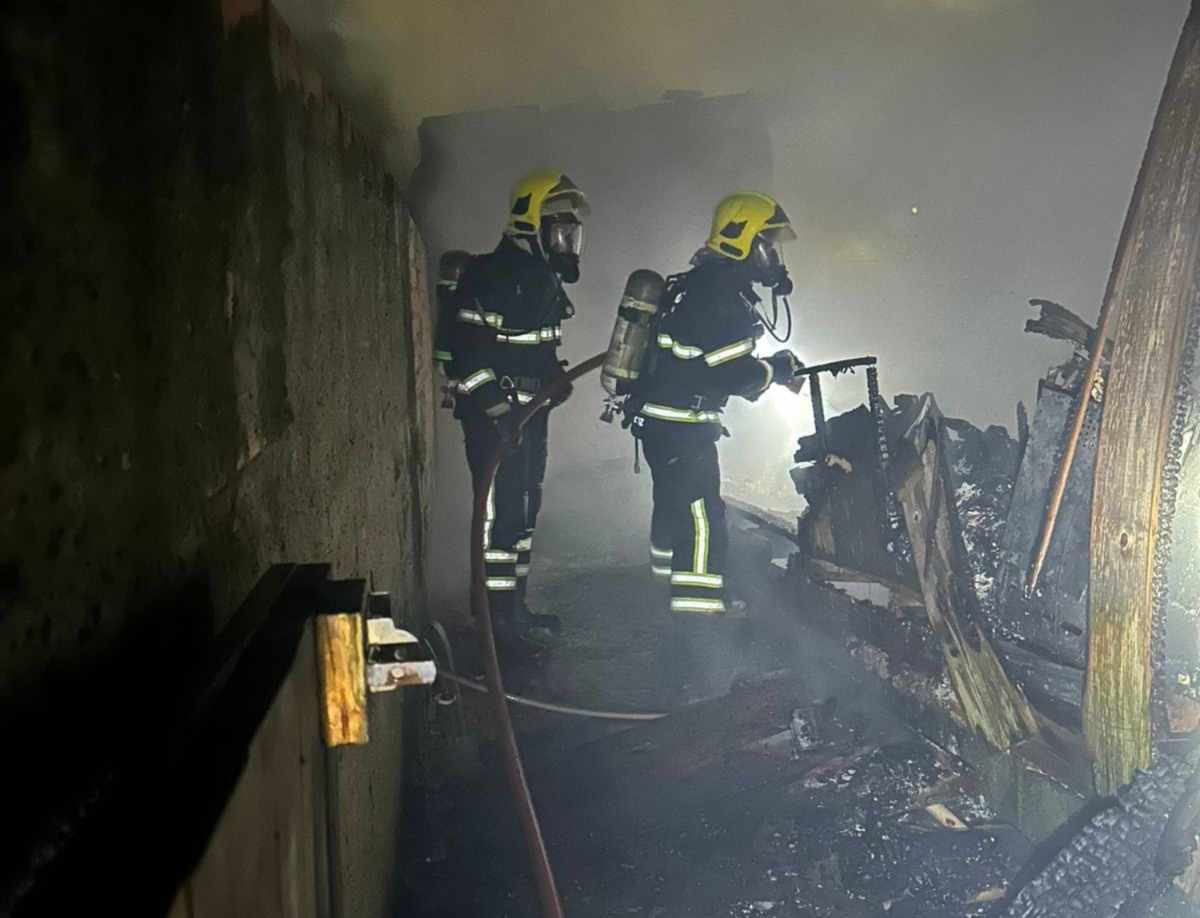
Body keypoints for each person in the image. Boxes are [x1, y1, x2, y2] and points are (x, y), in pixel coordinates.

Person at [629, 191, 802, 622]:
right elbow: (736, 376)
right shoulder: (722, 300)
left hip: (659, 421)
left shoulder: (701, 286)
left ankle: (664, 581)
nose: (773, 257)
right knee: (703, 515)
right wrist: (778, 370)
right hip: (683, 425)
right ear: (743, 241)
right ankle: (700, 612)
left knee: (671, 502)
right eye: (768, 245)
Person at [448, 170, 588, 662]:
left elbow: (533, 349)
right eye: (558, 231)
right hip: (496, 418)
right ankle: (495, 625)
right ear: (530, 224)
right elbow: (466, 356)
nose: (566, 242)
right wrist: (498, 411)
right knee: (500, 522)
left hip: (530, 414)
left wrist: (554, 382)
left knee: (525, 512)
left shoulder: (539, 277)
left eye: (571, 233)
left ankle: (516, 611)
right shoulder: (491, 276)